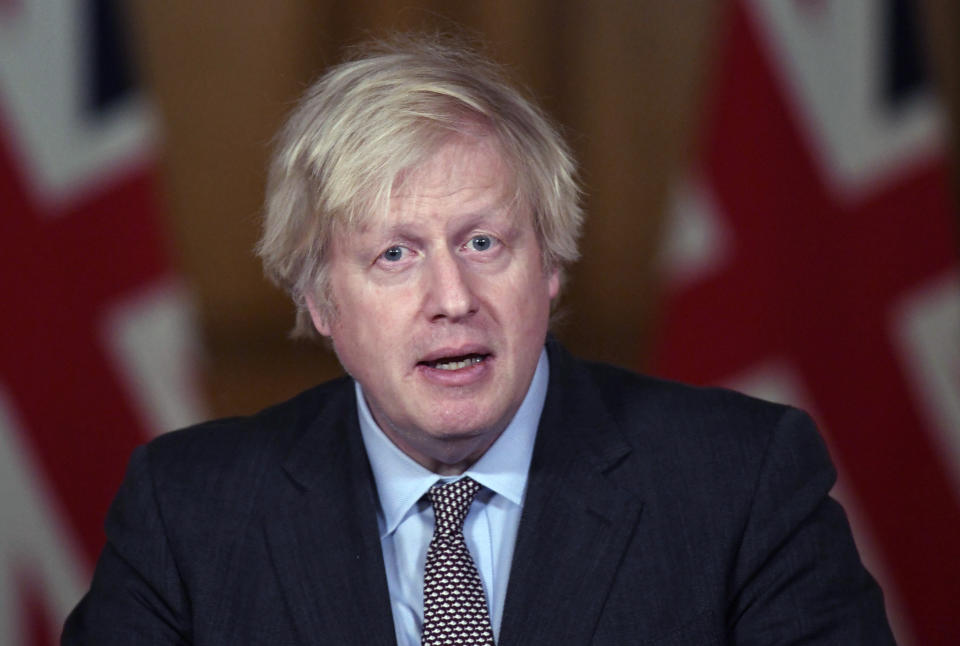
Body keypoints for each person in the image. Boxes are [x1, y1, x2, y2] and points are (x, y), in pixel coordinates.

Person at [63, 35, 896, 645]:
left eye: (484, 243)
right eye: (394, 255)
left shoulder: (741, 483)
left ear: (550, 267)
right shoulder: (189, 512)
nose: (452, 299)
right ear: (322, 301)